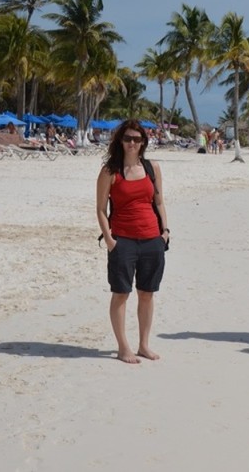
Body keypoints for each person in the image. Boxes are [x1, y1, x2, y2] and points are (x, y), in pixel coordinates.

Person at [95, 119, 169, 364]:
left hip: (152, 240)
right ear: (120, 141)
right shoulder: (110, 171)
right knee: (121, 294)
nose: (132, 143)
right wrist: (109, 239)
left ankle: (144, 345)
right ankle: (123, 347)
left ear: (143, 142)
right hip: (123, 240)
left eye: (137, 139)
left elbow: (159, 202)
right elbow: (100, 209)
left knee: (147, 293)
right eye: (127, 138)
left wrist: (165, 232)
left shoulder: (151, 168)